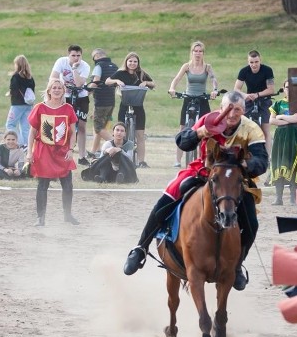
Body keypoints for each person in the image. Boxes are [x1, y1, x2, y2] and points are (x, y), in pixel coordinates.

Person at [123, 91, 268, 291]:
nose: (232, 114)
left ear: (244, 110)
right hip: (202, 172)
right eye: (229, 108)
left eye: (238, 109)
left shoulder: (252, 129)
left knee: (251, 222)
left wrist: (243, 163)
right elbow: (182, 141)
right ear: (221, 107)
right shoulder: (208, 120)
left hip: (233, 180)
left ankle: (236, 266)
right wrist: (199, 133)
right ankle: (140, 248)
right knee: (167, 198)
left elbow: (262, 161)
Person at [26, 79, 80, 227]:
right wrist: (30, 152)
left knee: (67, 184)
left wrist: (70, 149)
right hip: (43, 150)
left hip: (62, 151)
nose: (56, 90)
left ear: (63, 91)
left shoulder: (68, 109)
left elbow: (72, 132)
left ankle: (67, 215)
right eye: (54, 88)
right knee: (43, 184)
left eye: (59, 88)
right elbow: (32, 132)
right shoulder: (39, 108)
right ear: (49, 90)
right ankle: (40, 218)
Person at [169, 41, 219, 168]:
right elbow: (176, 79)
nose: (197, 53)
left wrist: (214, 90)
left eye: (200, 51)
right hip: (188, 98)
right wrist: (172, 88)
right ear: (191, 52)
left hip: (202, 99)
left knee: (205, 130)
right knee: (182, 129)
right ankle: (178, 160)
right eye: (195, 51)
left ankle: (204, 158)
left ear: (203, 53)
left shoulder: (207, 67)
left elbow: (214, 80)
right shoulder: (186, 66)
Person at [105, 51, 155, 168]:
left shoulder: (141, 73)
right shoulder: (121, 73)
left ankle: (141, 161)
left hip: (138, 106)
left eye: (135, 61)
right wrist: (116, 81)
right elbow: (107, 81)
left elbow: (153, 83)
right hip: (124, 104)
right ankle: (121, 159)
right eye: (130, 61)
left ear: (138, 63)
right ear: (126, 62)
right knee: (121, 134)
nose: (132, 63)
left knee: (140, 135)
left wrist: (145, 83)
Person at [269, 80, 297, 205]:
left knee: (293, 164)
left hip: (294, 136)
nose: (289, 89)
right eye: (287, 87)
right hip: (280, 137)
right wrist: (289, 120)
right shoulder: (278, 104)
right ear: (283, 88)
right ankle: (278, 198)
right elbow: (271, 121)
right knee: (278, 163)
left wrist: (281, 117)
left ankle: (293, 197)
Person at [50, 45, 92, 164]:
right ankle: (60, 152)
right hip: (66, 96)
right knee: (63, 125)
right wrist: (60, 88)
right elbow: (53, 77)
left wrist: (74, 68)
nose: (76, 58)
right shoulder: (61, 62)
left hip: (81, 96)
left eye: (78, 55)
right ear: (68, 55)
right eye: (73, 55)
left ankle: (82, 156)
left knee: (82, 126)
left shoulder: (85, 66)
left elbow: (79, 83)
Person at [234, 50, 274, 157]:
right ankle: (244, 154)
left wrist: (257, 94)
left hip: (264, 99)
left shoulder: (267, 70)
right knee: (243, 126)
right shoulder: (244, 71)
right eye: (251, 62)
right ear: (248, 62)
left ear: (260, 60)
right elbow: (236, 88)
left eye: (256, 62)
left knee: (266, 130)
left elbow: (271, 89)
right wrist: (245, 95)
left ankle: (268, 157)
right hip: (249, 100)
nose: (254, 65)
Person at [88, 48, 119, 157]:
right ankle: (93, 151)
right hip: (111, 101)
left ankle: (117, 145)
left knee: (98, 127)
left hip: (100, 101)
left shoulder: (98, 66)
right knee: (102, 126)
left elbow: (95, 82)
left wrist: (86, 92)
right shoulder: (115, 66)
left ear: (96, 56)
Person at [6, 55, 35, 147]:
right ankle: (27, 145)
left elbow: (13, 89)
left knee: (10, 125)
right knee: (25, 127)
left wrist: (9, 93)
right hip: (28, 105)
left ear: (17, 65)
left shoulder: (16, 76)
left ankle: (21, 143)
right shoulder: (30, 77)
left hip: (17, 104)